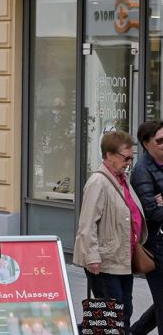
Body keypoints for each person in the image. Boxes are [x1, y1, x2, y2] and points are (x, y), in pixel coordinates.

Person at [76, 129, 147, 328]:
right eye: (126, 158)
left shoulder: (122, 181)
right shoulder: (98, 182)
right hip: (105, 262)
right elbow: (87, 225)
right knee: (113, 315)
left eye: (131, 158)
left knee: (120, 312)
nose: (129, 163)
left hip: (122, 259)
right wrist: (92, 257)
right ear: (109, 155)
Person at [130, 121, 163, 335]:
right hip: (156, 246)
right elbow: (151, 213)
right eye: (159, 141)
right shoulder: (142, 170)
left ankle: (135, 331)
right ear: (146, 143)